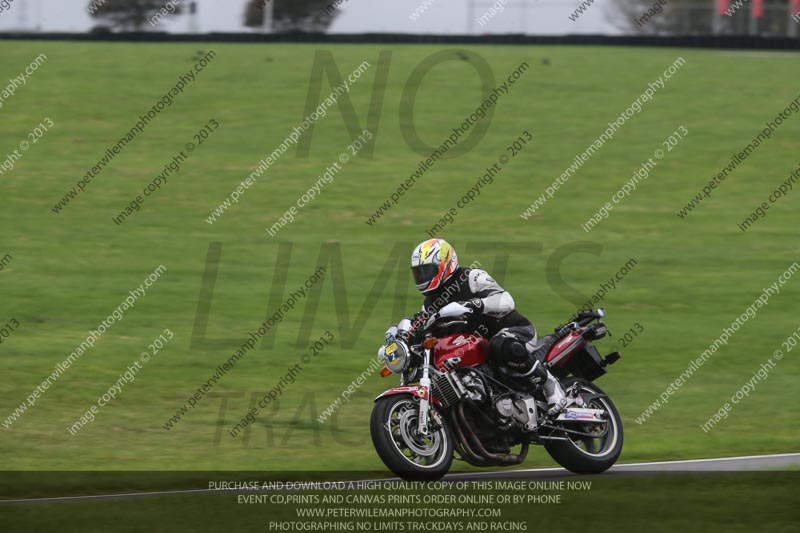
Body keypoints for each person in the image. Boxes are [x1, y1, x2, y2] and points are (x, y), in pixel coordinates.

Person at [404, 238, 567, 413]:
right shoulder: (429, 304)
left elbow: (507, 301)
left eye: (427, 271)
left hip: (514, 331)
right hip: (479, 350)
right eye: (419, 273)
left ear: (444, 264)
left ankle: (549, 383)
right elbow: (425, 328)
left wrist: (473, 305)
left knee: (500, 344)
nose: (422, 278)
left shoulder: (471, 277)